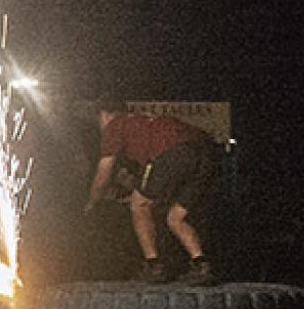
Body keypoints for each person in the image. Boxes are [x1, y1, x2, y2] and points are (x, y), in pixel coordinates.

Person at [86, 103, 216, 284]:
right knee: (176, 217)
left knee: (138, 206)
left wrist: (92, 201)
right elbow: (156, 181)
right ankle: (201, 265)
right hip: (206, 153)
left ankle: (154, 266)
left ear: (104, 115)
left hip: (171, 152)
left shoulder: (116, 124)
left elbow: (104, 171)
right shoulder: (144, 125)